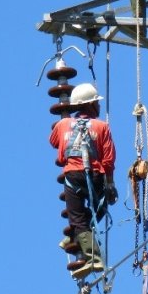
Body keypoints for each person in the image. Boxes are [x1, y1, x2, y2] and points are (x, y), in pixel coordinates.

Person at [49, 82, 117, 280]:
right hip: (96, 176)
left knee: (77, 219)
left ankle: (80, 240)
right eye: (96, 103)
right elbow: (109, 158)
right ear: (90, 105)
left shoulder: (63, 125)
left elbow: (53, 141)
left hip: (73, 177)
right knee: (100, 208)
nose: (98, 106)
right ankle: (93, 256)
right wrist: (110, 184)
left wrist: (66, 125)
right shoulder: (102, 126)